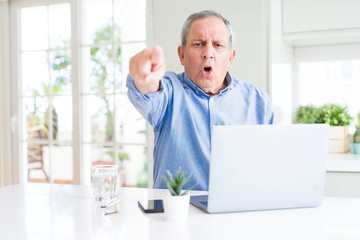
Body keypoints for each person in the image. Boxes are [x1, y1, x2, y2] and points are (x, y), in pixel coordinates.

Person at [126, 10, 274, 191]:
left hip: (238, 214)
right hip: (176, 214)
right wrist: (144, 78)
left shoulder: (257, 100)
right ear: (181, 55)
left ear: (230, 58)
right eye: (198, 44)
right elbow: (150, 91)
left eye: (218, 45)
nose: (208, 53)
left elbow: (270, 163)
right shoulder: (169, 91)